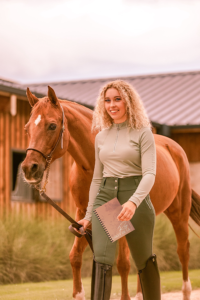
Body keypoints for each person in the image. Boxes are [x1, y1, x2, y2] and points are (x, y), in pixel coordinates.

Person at [78, 80, 161, 300]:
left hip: (135, 197)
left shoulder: (143, 133)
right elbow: (97, 179)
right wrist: (87, 216)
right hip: (106, 197)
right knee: (102, 259)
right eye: (107, 100)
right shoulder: (101, 137)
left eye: (117, 99)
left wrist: (133, 202)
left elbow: (150, 174)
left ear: (128, 101)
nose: (112, 105)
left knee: (143, 260)